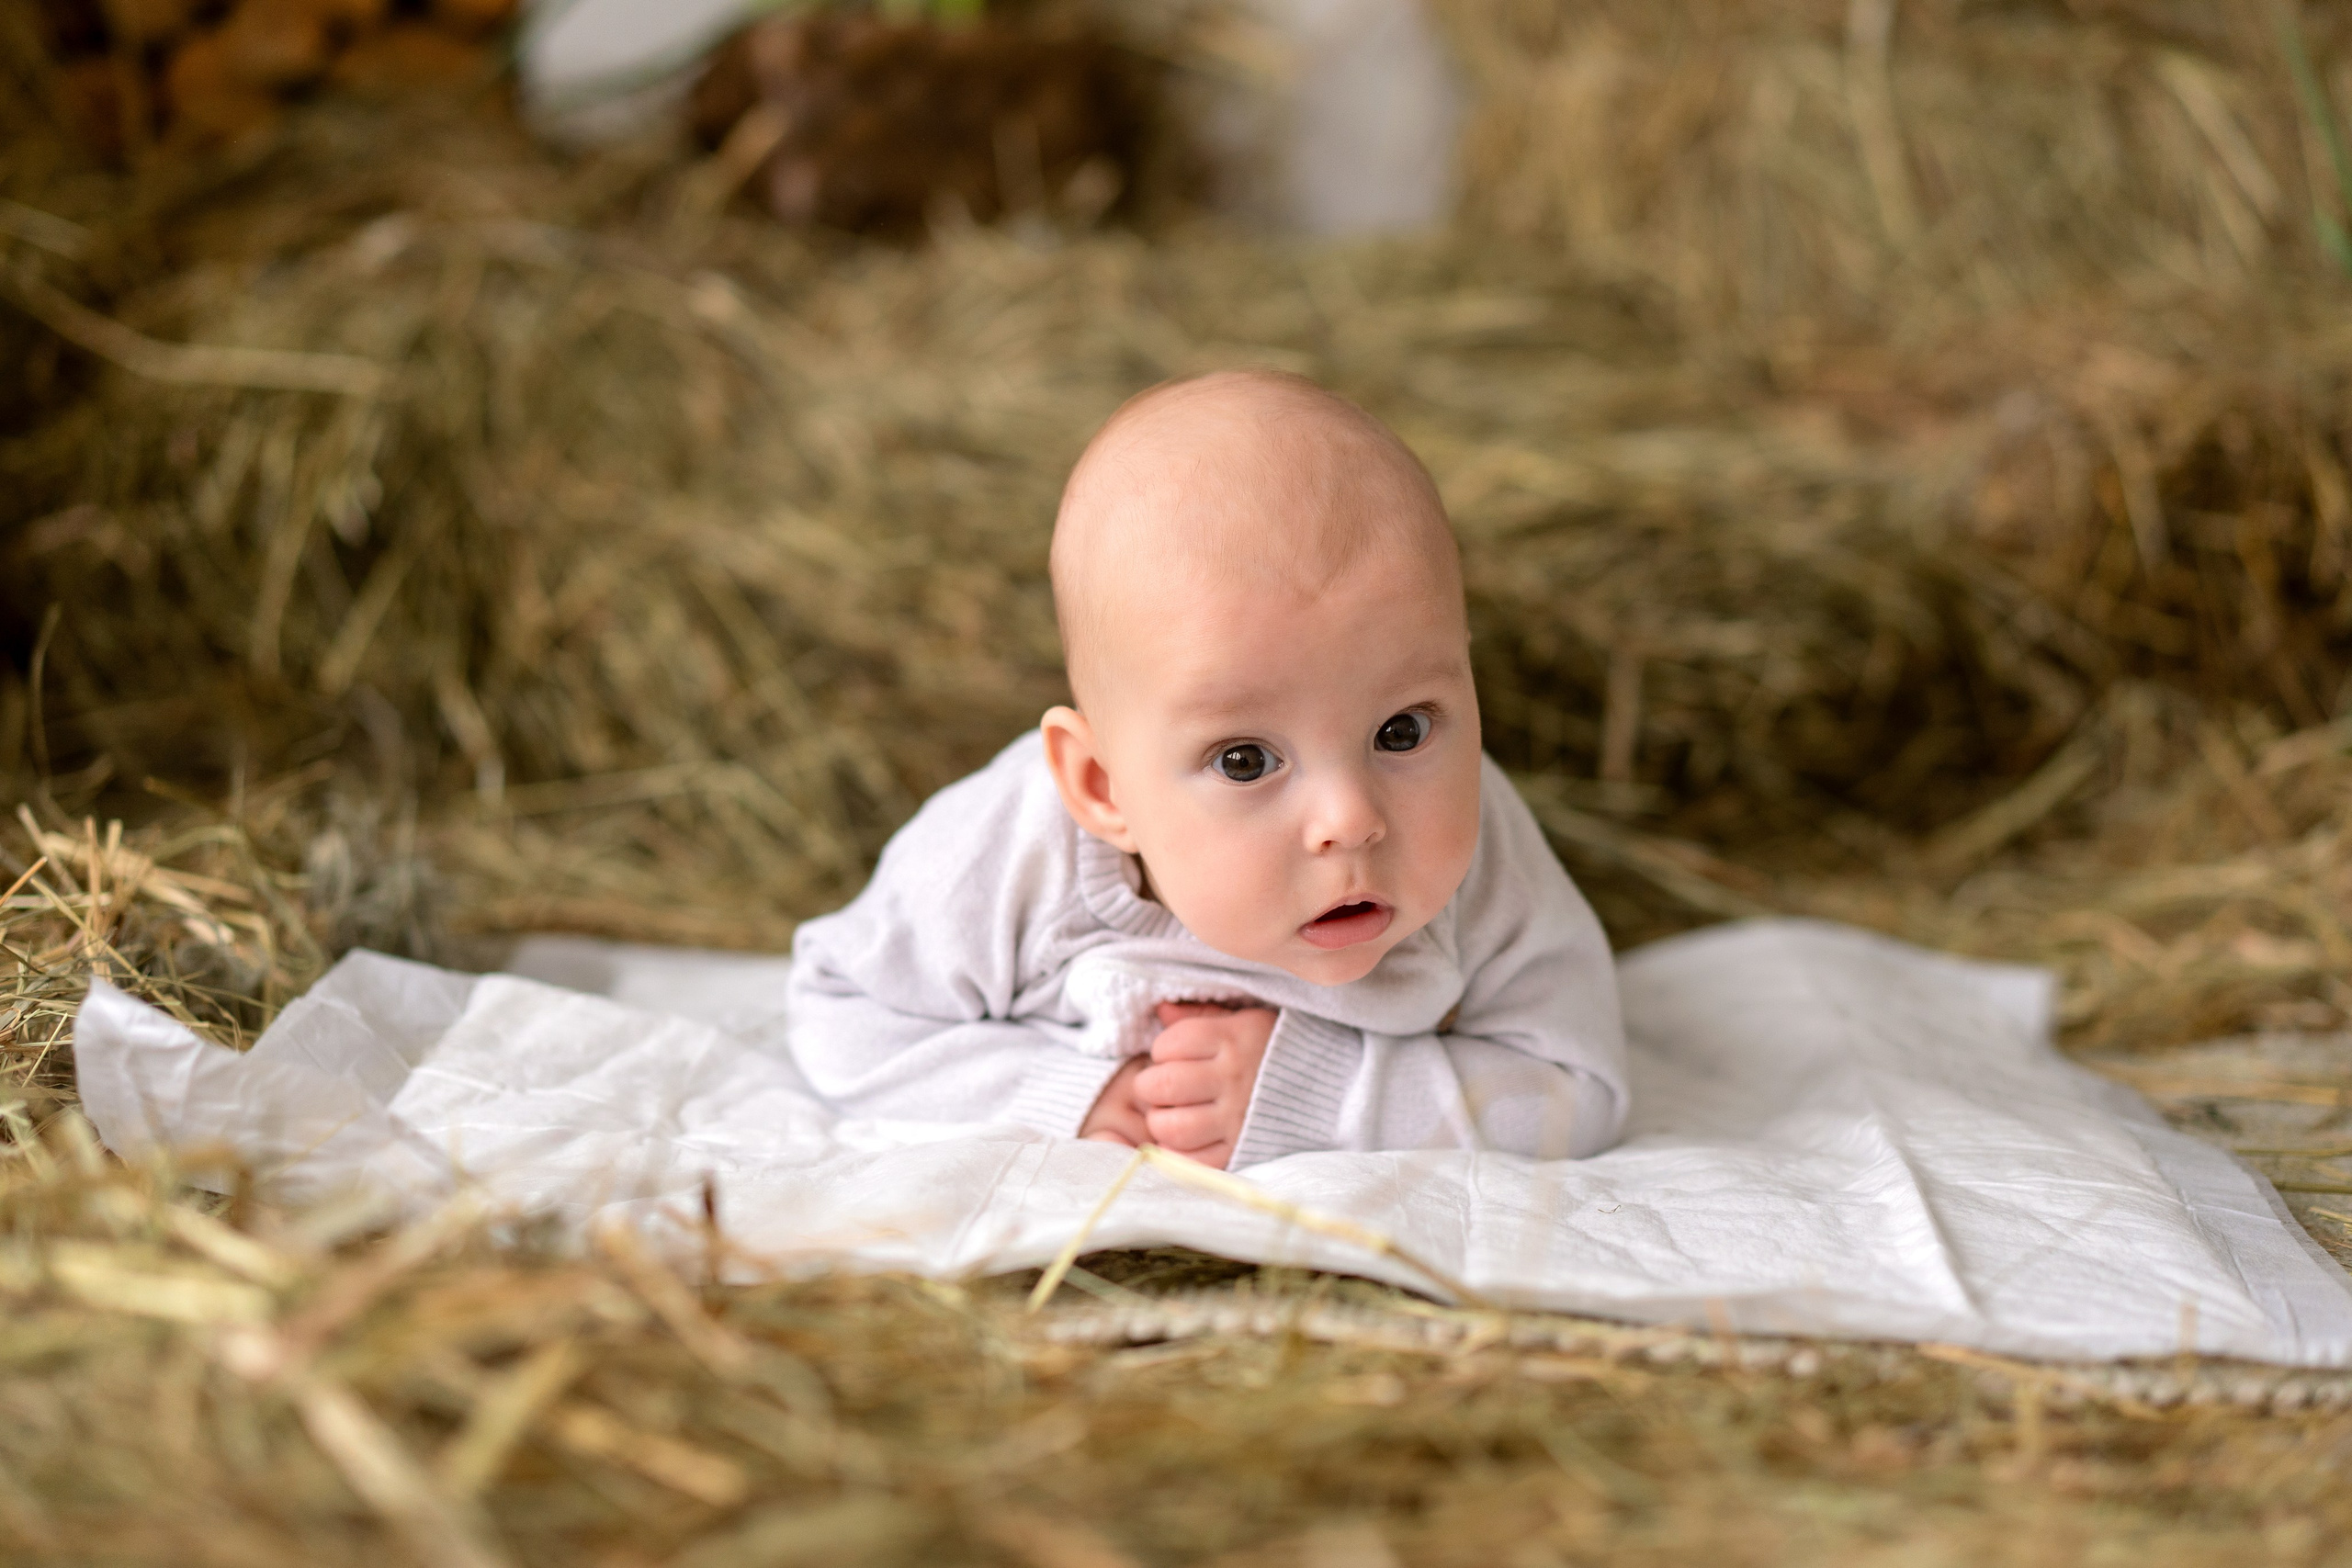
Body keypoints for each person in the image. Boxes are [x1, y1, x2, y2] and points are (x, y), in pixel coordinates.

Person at [784, 370, 1627, 1171]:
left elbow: (1577, 1088)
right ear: (1102, 787)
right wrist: (1073, 1094)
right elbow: (841, 1007)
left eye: (1401, 730)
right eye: (1244, 760)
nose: (1351, 817)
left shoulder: (1487, 855)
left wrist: (1323, 1093)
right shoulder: (1008, 853)